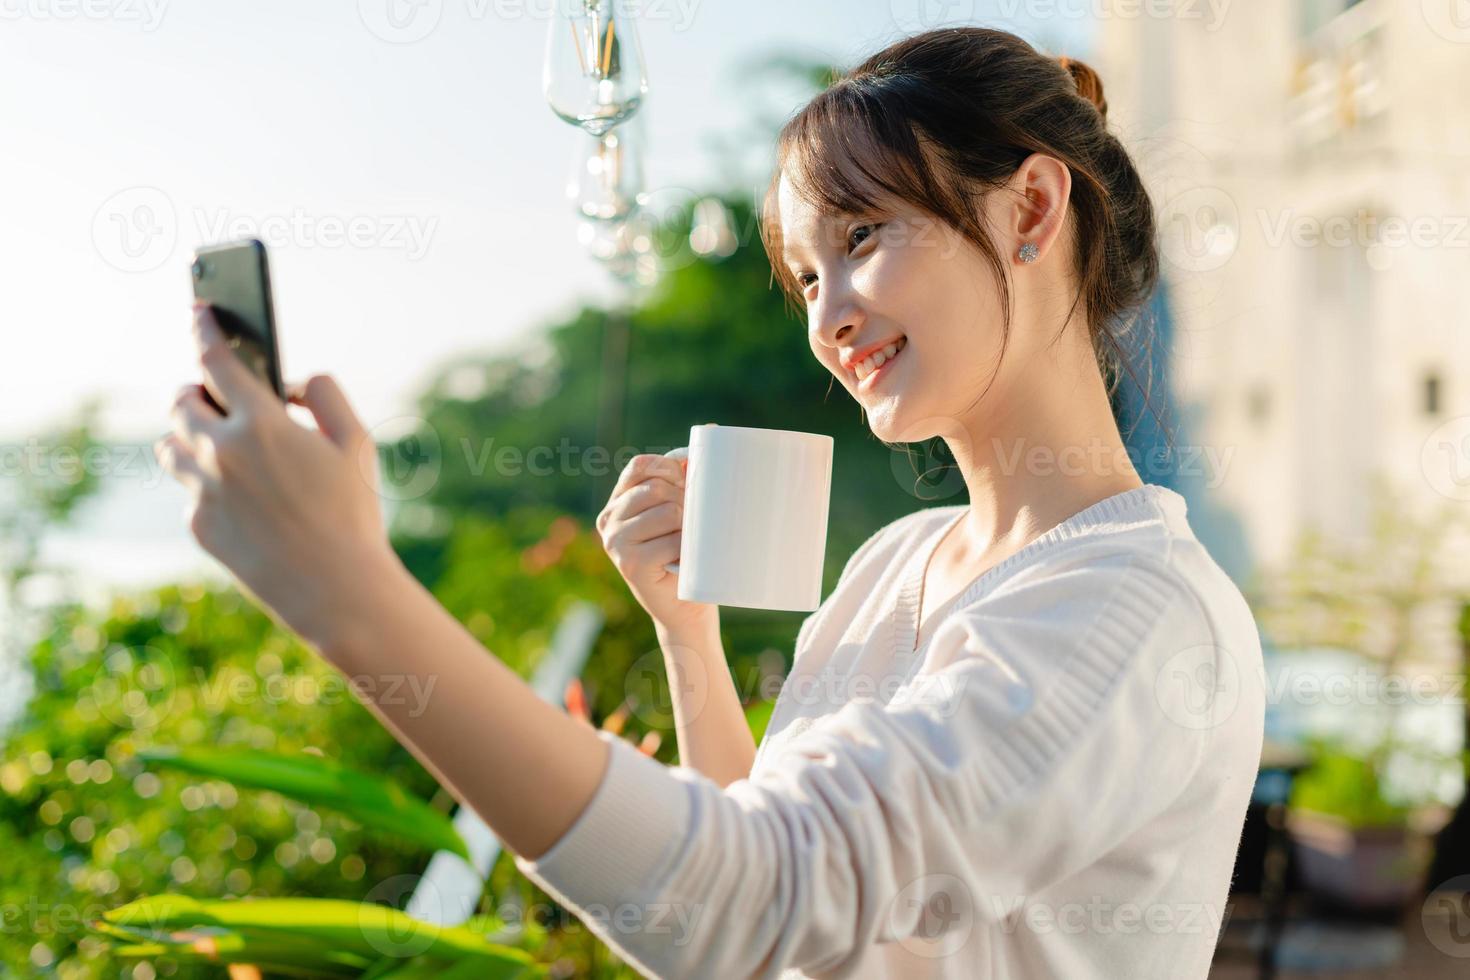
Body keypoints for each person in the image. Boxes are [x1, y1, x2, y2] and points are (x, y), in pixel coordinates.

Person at [156, 26, 1264, 980]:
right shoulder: (902, 557)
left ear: (1031, 205)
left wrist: (346, 587)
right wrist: (689, 633)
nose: (829, 315)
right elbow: (770, 873)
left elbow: (746, 902)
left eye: (863, 235)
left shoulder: (1137, 610)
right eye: (808, 274)